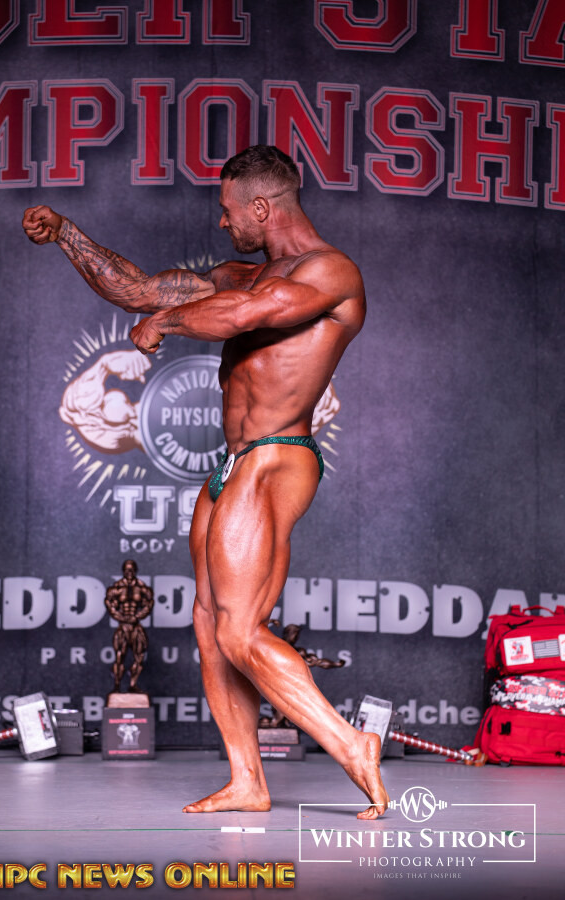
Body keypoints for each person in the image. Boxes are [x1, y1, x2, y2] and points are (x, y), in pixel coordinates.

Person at [22, 144, 389, 819]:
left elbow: (246, 316)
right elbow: (139, 289)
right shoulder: (238, 274)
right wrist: (67, 234)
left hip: (278, 453)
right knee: (209, 622)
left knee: (241, 629)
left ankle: (350, 743)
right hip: (233, 461)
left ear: (261, 207)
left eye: (228, 211)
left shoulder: (330, 272)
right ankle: (247, 780)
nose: (223, 223)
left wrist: (164, 323)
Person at [104, 559, 154, 693]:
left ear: (135, 571)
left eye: (131, 570)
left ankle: (133, 684)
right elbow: (109, 604)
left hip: (136, 626)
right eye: (127, 570)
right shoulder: (116, 588)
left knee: (139, 656)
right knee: (119, 656)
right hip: (123, 626)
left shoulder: (142, 588)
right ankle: (117, 685)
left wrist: (137, 617)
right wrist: (120, 617)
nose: (129, 572)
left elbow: (149, 604)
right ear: (123, 571)